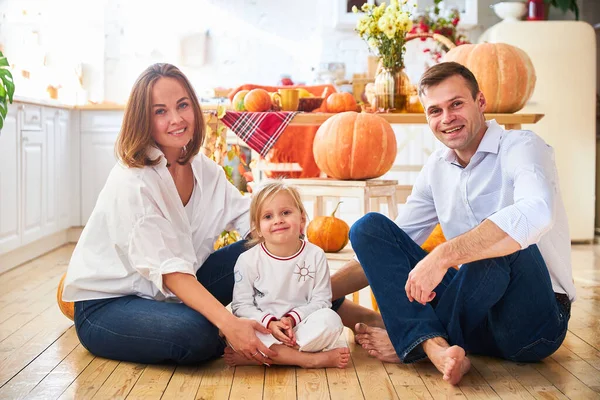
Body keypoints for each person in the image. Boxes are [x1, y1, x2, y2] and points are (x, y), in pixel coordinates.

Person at [330, 61, 575, 385]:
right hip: (470, 312)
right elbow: (389, 249)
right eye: (435, 110)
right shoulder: (436, 169)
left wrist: (444, 255)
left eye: (456, 104)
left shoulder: (523, 146)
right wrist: (313, 293)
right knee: (368, 228)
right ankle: (434, 345)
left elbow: (536, 212)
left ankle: (414, 339)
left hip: (533, 324)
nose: (447, 118)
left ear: (480, 102)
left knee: (501, 240)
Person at [62, 63, 277, 366]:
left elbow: (249, 220)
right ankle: (250, 333)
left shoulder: (205, 170)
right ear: (143, 120)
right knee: (197, 334)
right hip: (110, 305)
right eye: (160, 111)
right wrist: (229, 323)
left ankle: (313, 311)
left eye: (182, 105)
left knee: (274, 243)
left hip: (174, 294)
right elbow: (172, 273)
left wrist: (280, 250)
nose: (176, 119)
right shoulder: (134, 182)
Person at [226, 181, 350, 369]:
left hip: (300, 327)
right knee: (237, 330)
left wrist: (292, 319)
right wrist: (270, 324)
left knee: (331, 321)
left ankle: (263, 356)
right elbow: (241, 307)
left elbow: (322, 301)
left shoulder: (316, 255)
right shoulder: (247, 260)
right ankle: (309, 360)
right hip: (264, 328)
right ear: (257, 228)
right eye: (268, 216)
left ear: (301, 218)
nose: (278, 220)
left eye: (285, 212)